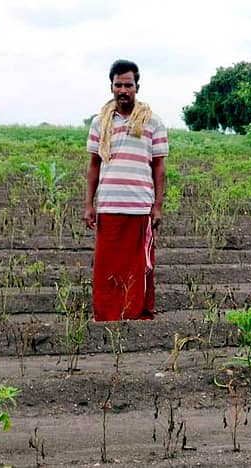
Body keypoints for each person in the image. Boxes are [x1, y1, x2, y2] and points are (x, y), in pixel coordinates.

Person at [85, 59, 168, 322]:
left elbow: (159, 168)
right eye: (118, 85)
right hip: (109, 205)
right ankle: (107, 315)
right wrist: (89, 204)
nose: (123, 90)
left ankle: (136, 315)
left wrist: (157, 206)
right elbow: (94, 165)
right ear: (111, 87)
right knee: (107, 266)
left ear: (137, 87)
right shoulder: (100, 123)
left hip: (139, 206)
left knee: (137, 265)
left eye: (128, 85)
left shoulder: (152, 122)